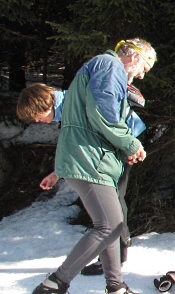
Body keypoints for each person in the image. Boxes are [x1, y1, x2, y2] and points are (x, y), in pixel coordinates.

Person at [32, 39, 158, 294]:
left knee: (109, 225)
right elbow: (102, 115)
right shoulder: (109, 65)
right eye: (144, 67)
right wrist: (130, 143)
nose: (141, 75)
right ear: (133, 57)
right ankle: (54, 285)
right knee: (110, 226)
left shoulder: (102, 66)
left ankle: (116, 291)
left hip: (92, 159)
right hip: (90, 160)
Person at [18, 81, 148, 275]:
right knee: (108, 202)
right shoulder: (66, 108)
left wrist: (129, 147)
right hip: (116, 144)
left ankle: (117, 254)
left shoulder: (75, 104)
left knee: (112, 197)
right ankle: (113, 255)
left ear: (46, 104)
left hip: (127, 140)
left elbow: (108, 127)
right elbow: (76, 147)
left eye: (37, 115)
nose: (37, 120)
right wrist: (57, 173)